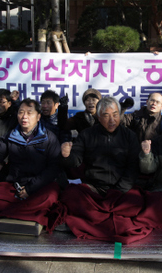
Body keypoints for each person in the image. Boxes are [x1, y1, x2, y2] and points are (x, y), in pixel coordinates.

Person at [59, 97, 149, 243]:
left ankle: (91, 221)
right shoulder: (87, 135)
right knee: (70, 194)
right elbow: (75, 161)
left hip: (120, 190)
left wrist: (120, 190)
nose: (112, 120)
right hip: (94, 189)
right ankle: (109, 220)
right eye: (106, 115)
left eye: (115, 114)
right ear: (99, 117)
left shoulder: (129, 136)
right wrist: (66, 155)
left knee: (138, 202)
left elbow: (133, 167)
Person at [0, 98, 61, 196]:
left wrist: (30, 189)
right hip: (14, 185)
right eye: (21, 112)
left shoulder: (49, 138)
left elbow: (53, 168)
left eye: (29, 113)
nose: (24, 117)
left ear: (38, 117)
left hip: (40, 186)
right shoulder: (11, 136)